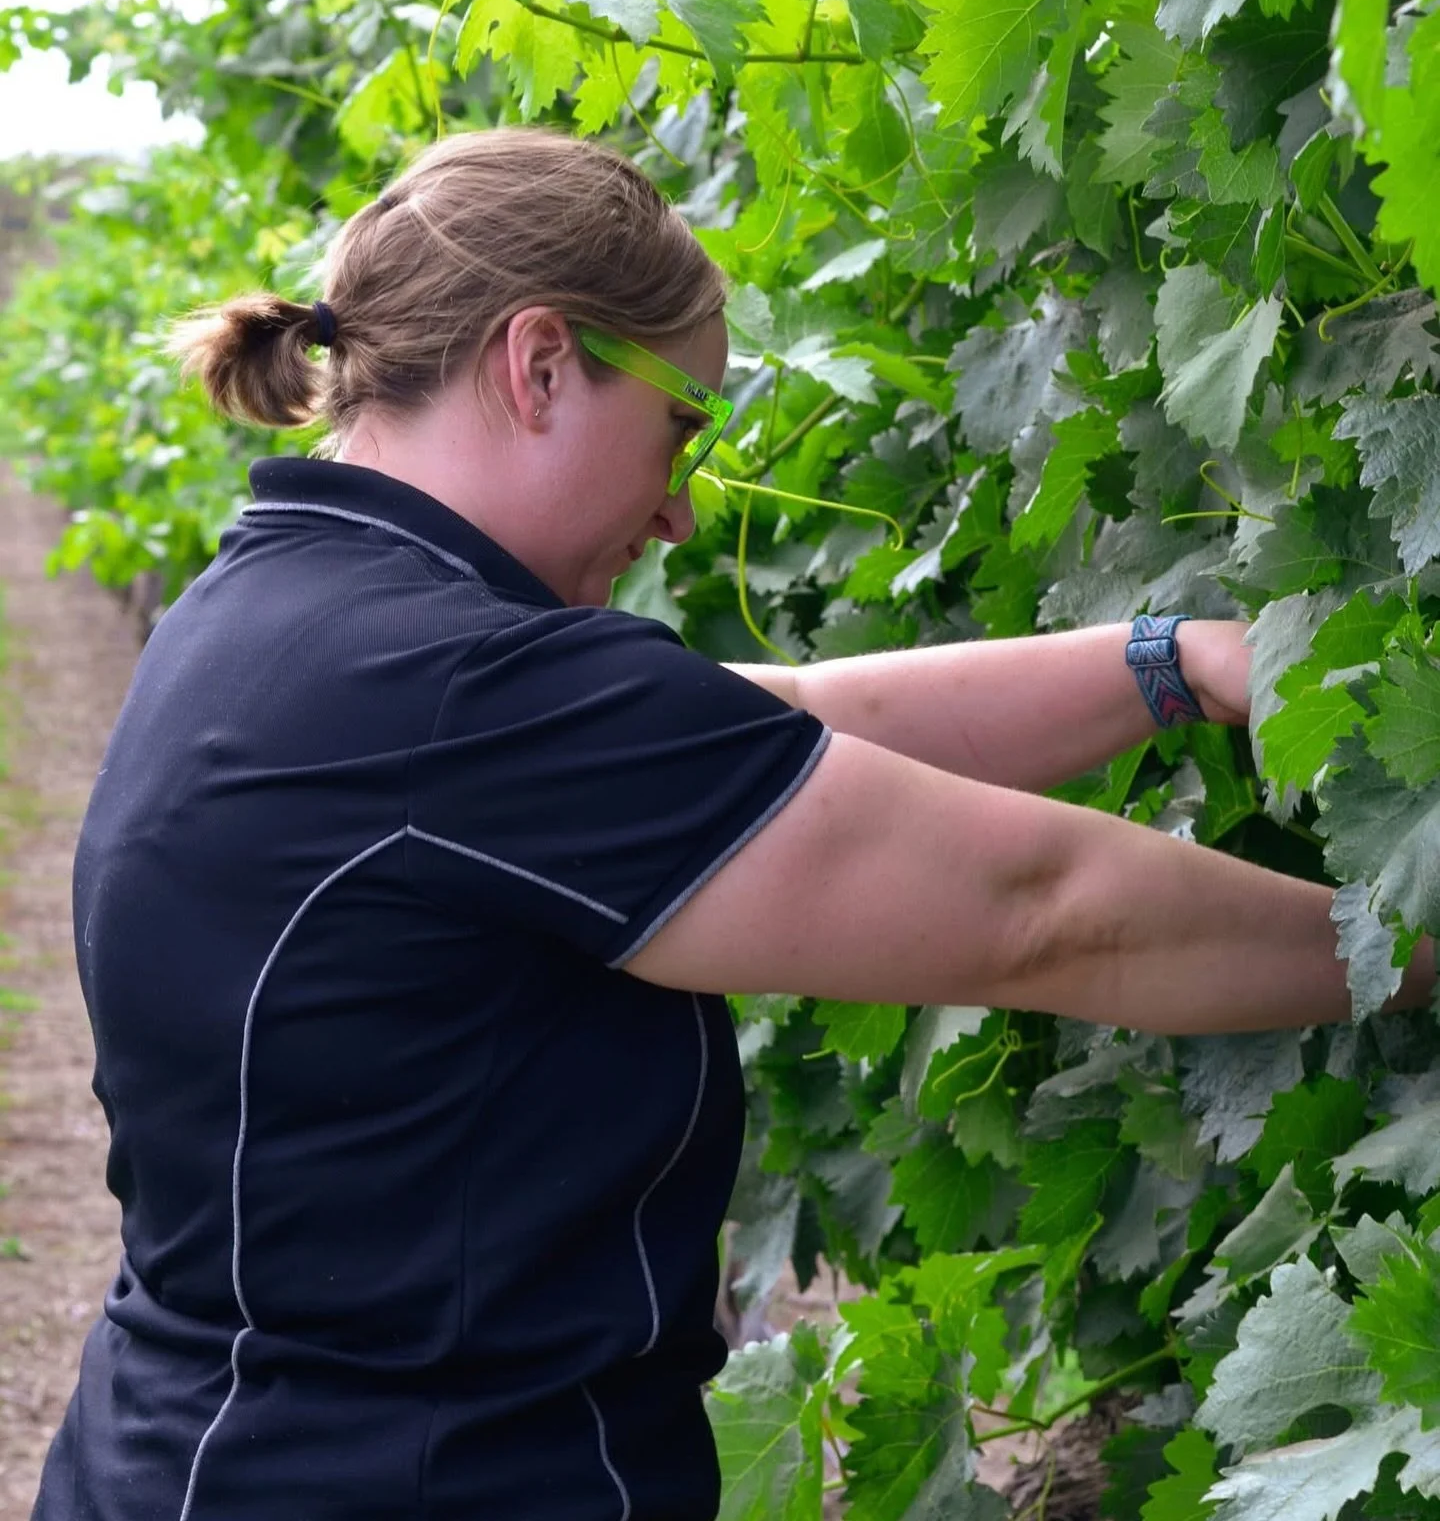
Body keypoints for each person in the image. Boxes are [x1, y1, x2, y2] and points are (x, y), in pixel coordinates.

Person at [32, 126, 1433, 1521]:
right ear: (540, 364)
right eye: (680, 427)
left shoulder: (290, 614)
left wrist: (1171, 664)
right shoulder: (459, 693)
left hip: (200, 1456)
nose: (684, 514)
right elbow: (1042, 914)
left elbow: (792, 719)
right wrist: (1410, 952)